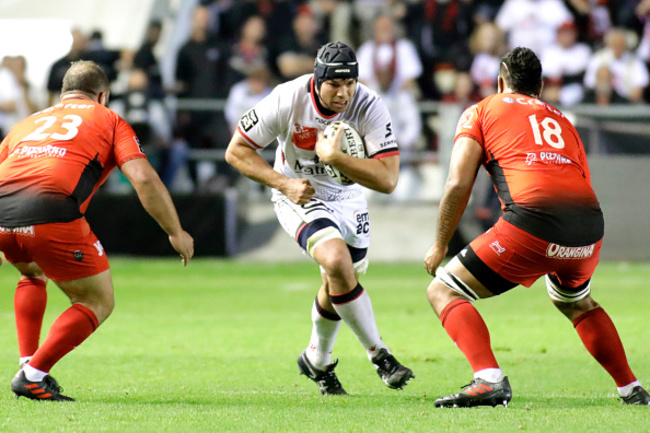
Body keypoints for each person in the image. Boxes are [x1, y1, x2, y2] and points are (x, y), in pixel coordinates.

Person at [423, 47, 650, 407]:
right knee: (576, 302)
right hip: (589, 225)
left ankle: (488, 379)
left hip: (531, 222)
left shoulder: (481, 110)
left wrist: (439, 244)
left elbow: (457, 183)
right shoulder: (563, 120)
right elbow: (581, 179)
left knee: (442, 291)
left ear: (500, 82)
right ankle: (631, 388)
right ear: (540, 87)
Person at [225, 41, 414, 395]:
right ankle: (381, 356)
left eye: (350, 84)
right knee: (335, 260)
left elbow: (388, 180)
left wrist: (335, 157)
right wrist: (283, 184)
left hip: (349, 197)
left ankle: (316, 358)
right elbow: (236, 151)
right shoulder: (287, 97)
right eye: (335, 85)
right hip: (299, 192)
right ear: (317, 79)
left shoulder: (369, 105)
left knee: (339, 280)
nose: (344, 93)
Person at [0, 60, 194, 401]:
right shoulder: (110, 119)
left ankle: (29, 364)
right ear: (103, 95)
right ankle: (31, 375)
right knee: (97, 300)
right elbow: (143, 178)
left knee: (31, 272)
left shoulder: (26, 124)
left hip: (3, 211)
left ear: (62, 95)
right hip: (51, 211)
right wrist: (175, 231)